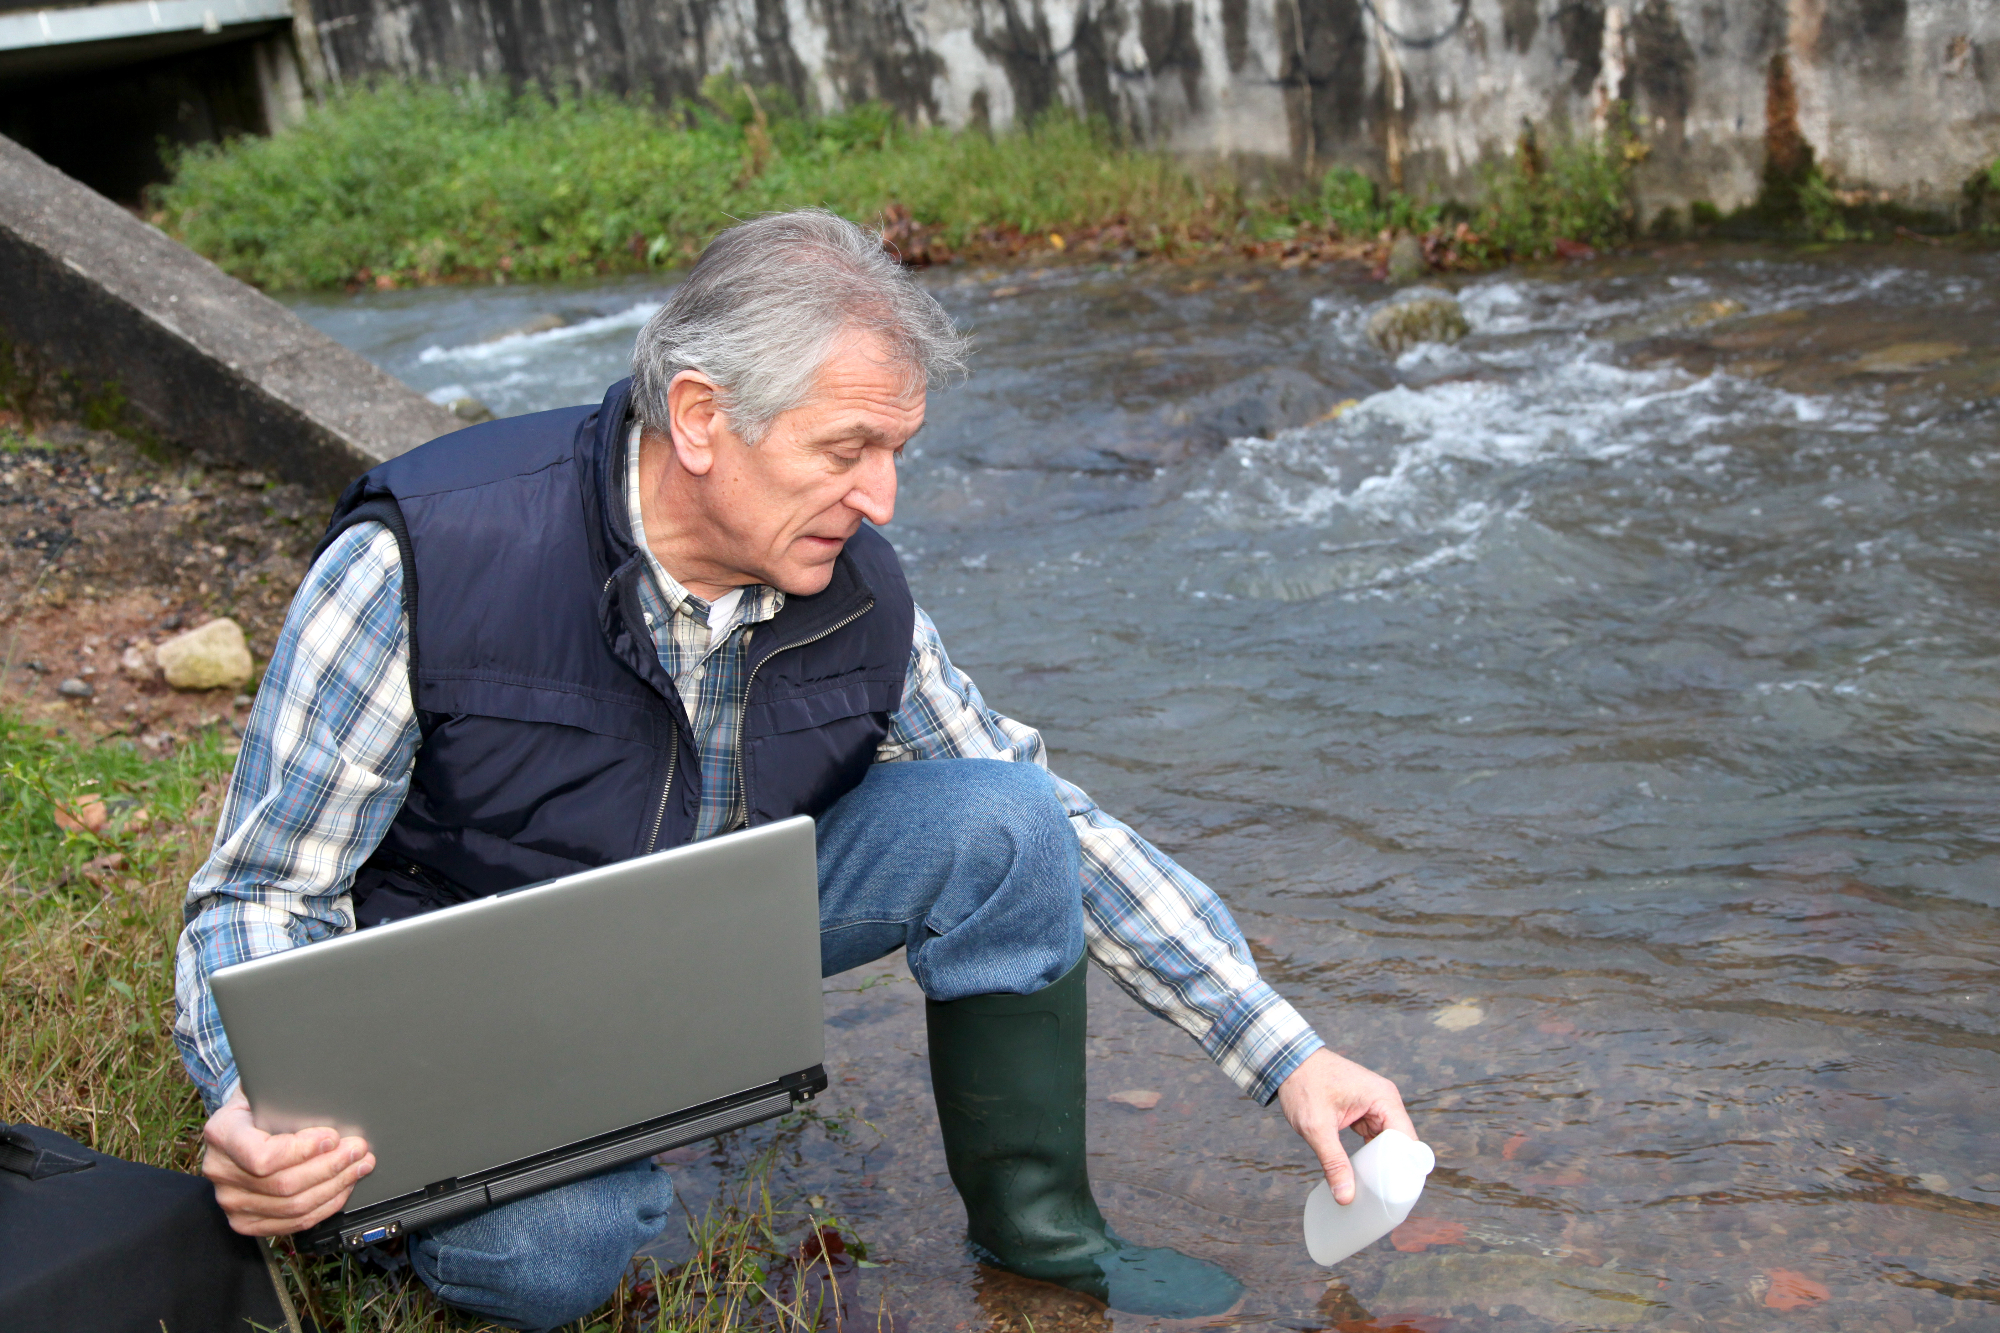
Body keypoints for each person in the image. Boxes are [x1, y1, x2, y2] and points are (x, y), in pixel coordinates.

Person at [173, 210, 1416, 1330]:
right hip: (480, 988)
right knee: (561, 1253)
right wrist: (258, 1108)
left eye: (898, 451)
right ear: (703, 417)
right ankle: (410, 1211)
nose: (880, 498)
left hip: (702, 924)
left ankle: (1041, 1235)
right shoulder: (425, 562)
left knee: (1007, 817)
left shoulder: (853, 591)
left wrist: (1284, 1052)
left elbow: (1054, 825)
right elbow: (257, 897)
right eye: (848, 448)